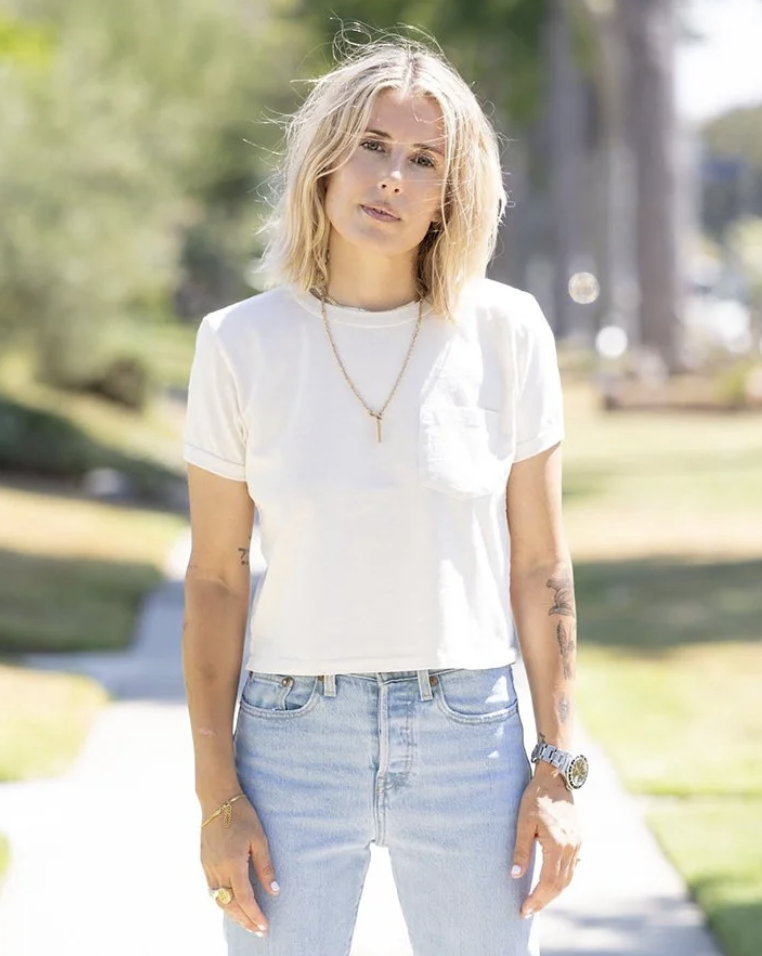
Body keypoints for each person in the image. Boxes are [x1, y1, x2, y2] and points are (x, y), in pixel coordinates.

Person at [181, 33, 585, 956]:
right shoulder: (239, 343)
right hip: (289, 741)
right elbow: (214, 577)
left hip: (468, 737)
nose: (391, 177)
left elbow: (540, 566)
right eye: (371, 146)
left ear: (454, 192)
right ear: (325, 159)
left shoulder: (506, 331)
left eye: (423, 159)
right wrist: (217, 798)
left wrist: (557, 771)